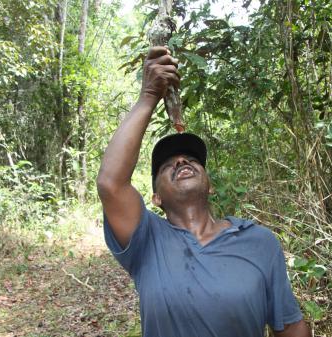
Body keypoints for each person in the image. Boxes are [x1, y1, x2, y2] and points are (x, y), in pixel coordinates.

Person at [97, 46, 311, 337]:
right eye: (167, 166)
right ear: (156, 197)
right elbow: (111, 183)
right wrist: (148, 95)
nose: (182, 161)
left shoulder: (260, 242)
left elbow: (290, 326)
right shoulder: (147, 241)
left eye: (191, 159)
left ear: (210, 186)